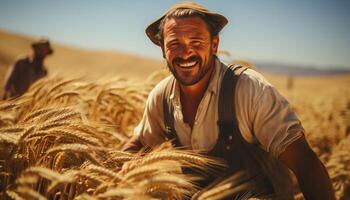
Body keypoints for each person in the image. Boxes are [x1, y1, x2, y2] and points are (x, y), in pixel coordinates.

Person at [123, 2, 335, 199]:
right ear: (163, 50)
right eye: (174, 44)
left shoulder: (249, 89)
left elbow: (305, 163)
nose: (186, 52)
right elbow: (141, 142)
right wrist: (114, 174)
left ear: (214, 45)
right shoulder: (161, 97)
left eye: (196, 42)